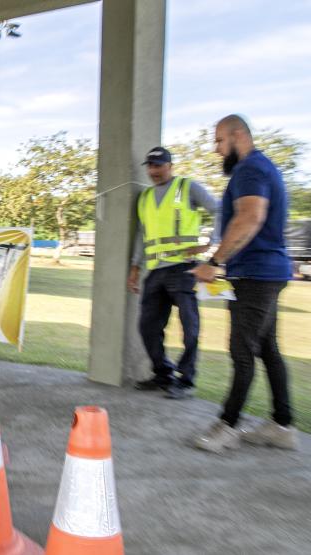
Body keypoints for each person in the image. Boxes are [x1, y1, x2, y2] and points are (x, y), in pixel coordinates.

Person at [191, 115, 297, 453]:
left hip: (256, 275)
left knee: (242, 351)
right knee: (267, 349)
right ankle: (282, 425)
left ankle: (228, 425)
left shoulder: (250, 169)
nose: (216, 149)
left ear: (239, 136)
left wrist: (213, 262)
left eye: (220, 141)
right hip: (266, 272)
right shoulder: (263, 167)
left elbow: (250, 218)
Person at [128, 147, 219, 400]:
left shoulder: (188, 188)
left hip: (184, 269)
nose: (153, 171)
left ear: (170, 165)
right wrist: (135, 267)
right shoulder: (144, 198)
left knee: (190, 329)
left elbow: (220, 210)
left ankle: (186, 380)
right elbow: (142, 235)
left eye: (158, 165)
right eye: (150, 166)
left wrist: (211, 244)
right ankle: (163, 374)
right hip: (155, 272)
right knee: (147, 326)